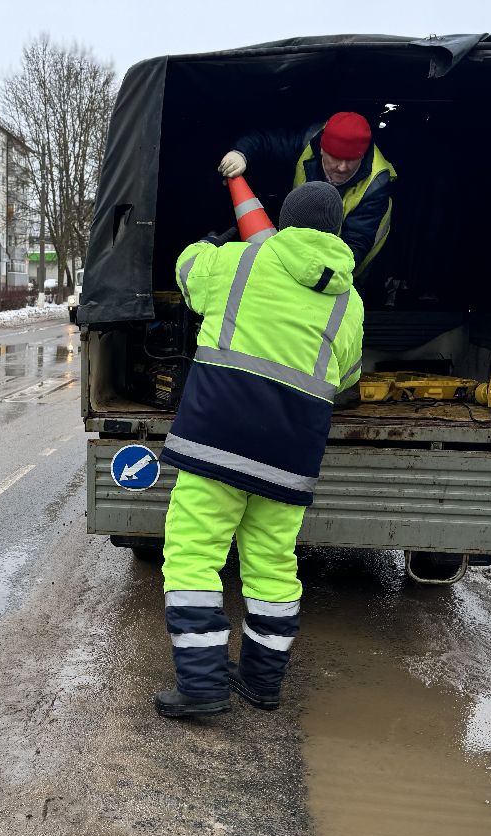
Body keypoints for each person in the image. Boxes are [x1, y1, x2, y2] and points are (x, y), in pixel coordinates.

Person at [157, 182, 365, 719]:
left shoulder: (239, 261)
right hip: (290, 458)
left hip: (217, 442)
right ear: (338, 233)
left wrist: (208, 239)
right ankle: (261, 683)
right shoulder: (350, 301)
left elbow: (185, 270)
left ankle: (201, 687)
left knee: (194, 556)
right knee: (273, 566)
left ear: (286, 221)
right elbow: (347, 378)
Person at [218, 112, 395, 275]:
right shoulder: (309, 142)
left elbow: (355, 247)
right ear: (322, 149)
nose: (342, 167)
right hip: (299, 252)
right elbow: (265, 140)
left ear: (362, 156)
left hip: (346, 266)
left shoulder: (376, 183)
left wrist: (310, 275)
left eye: (350, 160)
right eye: (335, 157)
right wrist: (240, 154)